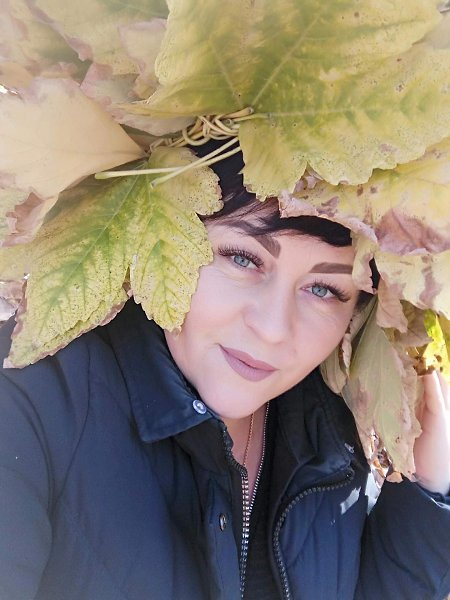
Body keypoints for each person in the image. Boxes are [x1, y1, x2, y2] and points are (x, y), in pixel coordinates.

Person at [0, 150, 449, 600]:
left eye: (323, 289)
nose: (272, 329)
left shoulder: (331, 433)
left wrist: (428, 491)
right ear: (157, 230)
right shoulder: (30, 396)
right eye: (242, 258)